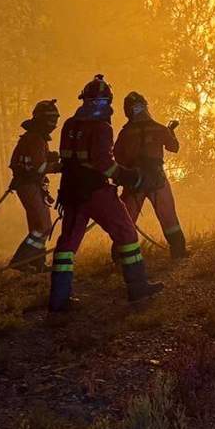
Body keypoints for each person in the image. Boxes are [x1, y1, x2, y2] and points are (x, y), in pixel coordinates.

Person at [48, 75, 164, 312]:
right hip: (97, 193)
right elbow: (105, 164)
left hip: (71, 194)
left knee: (66, 245)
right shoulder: (102, 127)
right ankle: (138, 289)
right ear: (107, 101)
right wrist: (131, 177)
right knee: (126, 233)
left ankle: (59, 301)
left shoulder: (69, 124)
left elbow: (67, 160)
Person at [114, 91, 188, 258]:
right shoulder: (158, 128)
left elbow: (117, 156)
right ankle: (179, 252)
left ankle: (120, 258)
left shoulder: (125, 133)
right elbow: (174, 147)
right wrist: (170, 131)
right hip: (157, 179)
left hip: (134, 181)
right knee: (168, 216)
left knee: (127, 220)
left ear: (128, 111)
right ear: (145, 107)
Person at [6, 99, 61, 270]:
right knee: (43, 226)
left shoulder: (33, 137)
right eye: (51, 119)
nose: (54, 123)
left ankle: (37, 262)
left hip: (29, 186)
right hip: (30, 186)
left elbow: (27, 160)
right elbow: (39, 168)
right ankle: (20, 260)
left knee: (38, 225)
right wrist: (58, 166)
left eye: (55, 119)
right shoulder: (36, 139)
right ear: (42, 119)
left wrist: (49, 156)